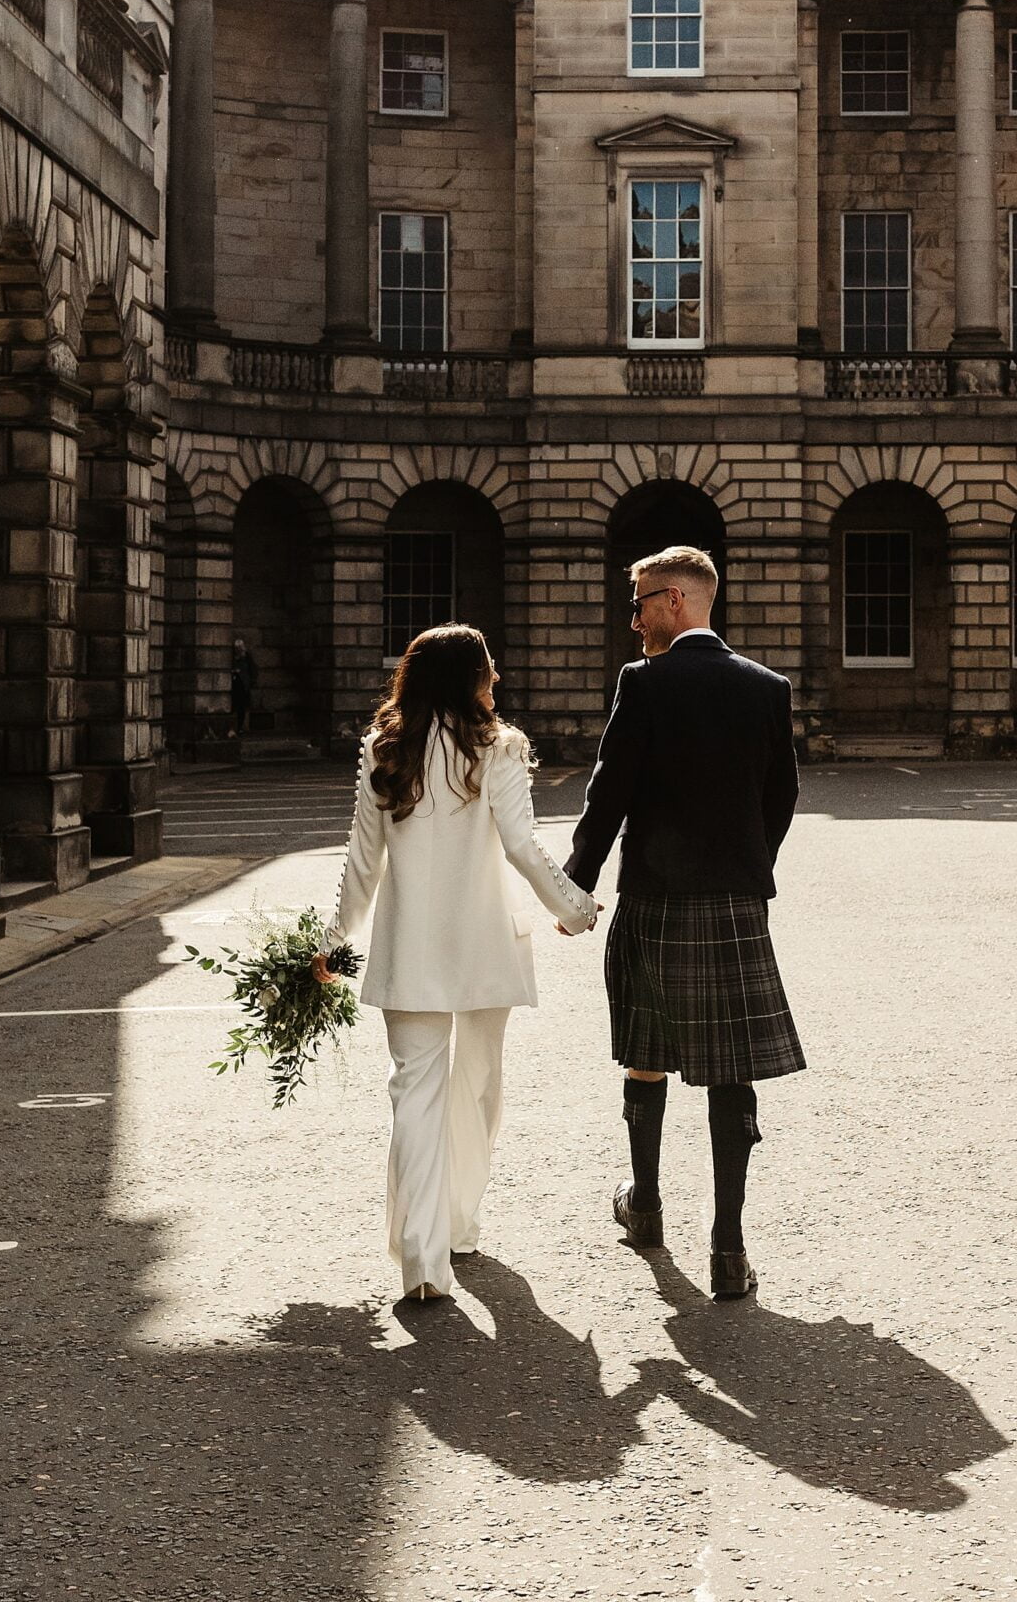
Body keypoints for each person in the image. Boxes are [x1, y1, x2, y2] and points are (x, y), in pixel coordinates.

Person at [316, 624, 599, 1302]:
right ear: (465, 678)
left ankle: (422, 1259)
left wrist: (331, 941)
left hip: (409, 945)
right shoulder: (498, 746)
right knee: (477, 1088)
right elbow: (522, 846)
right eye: (488, 668)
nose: (495, 679)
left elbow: (362, 861)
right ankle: (460, 1224)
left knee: (414, 1096)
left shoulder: (384, 748)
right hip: (483, 944)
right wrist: (575, 908)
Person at [563, 545, 803, 1302]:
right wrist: (746, 865)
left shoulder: (644, 683)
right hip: (731, 902)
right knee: (730, 1068)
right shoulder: (767, 688)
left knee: (647, 1050)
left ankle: (645, 1208)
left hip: (657, 897)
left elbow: (610, 794)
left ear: (673, 601)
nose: (631, 623)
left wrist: (576, 884)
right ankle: (727, 1251)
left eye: (636, 605)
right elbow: (782, 795)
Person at [230, 639, 258, 737]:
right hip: (235, 685)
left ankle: (240, 727)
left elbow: (253, 669)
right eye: (236, 648)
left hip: (243, 685)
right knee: (234, 707)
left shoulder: (246, 657)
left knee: (241, 708)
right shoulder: (232, 657)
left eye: (239, 648)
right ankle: (234, 728)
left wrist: (251, 682)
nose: (238, 650)